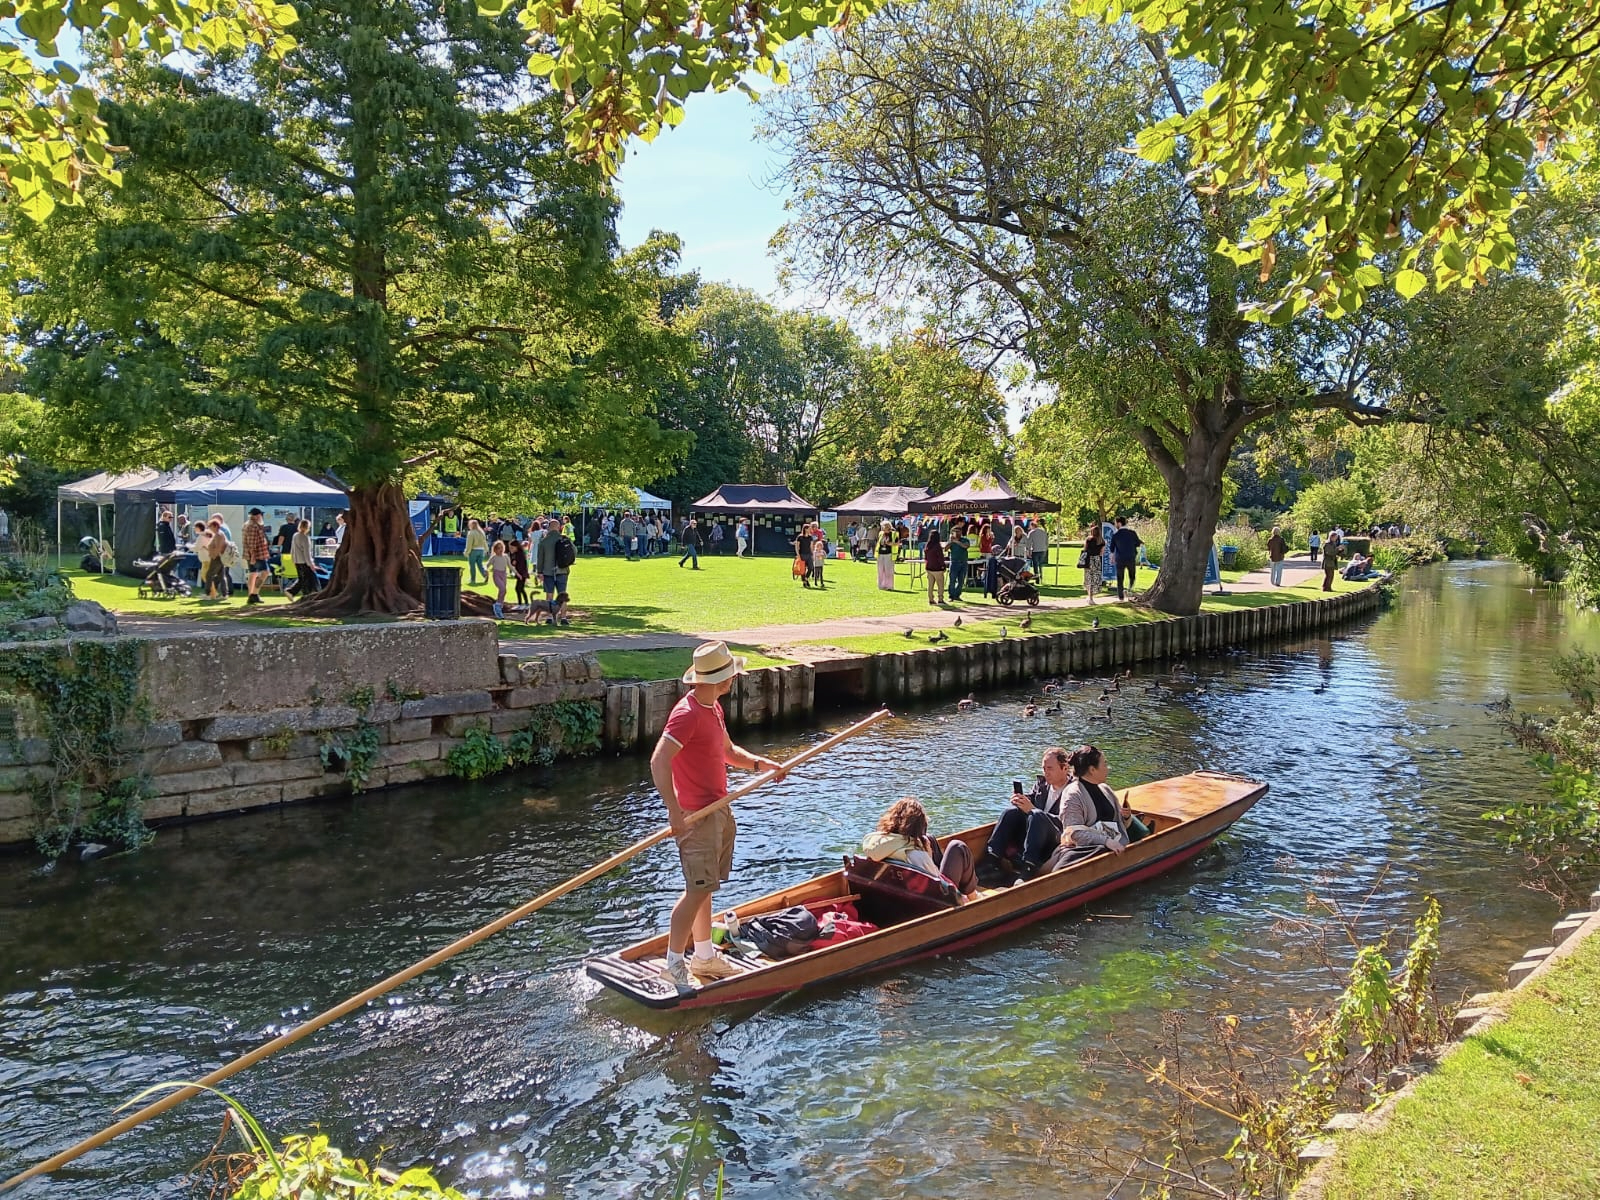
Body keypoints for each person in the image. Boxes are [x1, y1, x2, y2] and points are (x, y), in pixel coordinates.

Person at [650, 642, 787, 993]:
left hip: (718, 809)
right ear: (719, 679)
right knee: (696, 890)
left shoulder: (713, 710)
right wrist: (673, 810)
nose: (734, 678)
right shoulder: (687, 714)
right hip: (696, 817)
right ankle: (673, 964)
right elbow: (658, 761)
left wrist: (761, 764)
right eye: (730, 674)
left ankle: (704, 956)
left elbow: (726, 752)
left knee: (707, 886)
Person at [980, 747, 1076, 881]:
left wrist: (1033, 810)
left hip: (1056, 838)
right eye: (1044, 768)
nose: (1046, 772)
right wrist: (1021, 801)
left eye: (1050, 768)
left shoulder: (1074, 791)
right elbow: (1031, 800)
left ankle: (1028, 868)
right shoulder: (1042, 784)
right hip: (1035, 833)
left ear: (1064, 768)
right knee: (1011, 812)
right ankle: (992, 859)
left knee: (1036, 815)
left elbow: (1066, 822)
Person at [861, 798, 977, 903]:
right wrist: (928, 856)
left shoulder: (875, 844)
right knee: (957, 847)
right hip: (935, 900)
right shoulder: (916, 856)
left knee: (929, 838)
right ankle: (974, 897)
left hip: (897, 895)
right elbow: (937, 884)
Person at [1051, 745, 1148, 865]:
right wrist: (1106, 841)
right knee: (1098, 850)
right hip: (1087, 853)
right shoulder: (1073, 795)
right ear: (1092, 770)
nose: (1108, 769)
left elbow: (1118, 824)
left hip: (1116, 847)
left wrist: (1126, 817)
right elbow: (1074, 833)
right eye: (1104, 764)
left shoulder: (1105, 789)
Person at [536, 517, 572, 624]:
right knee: (563, 594)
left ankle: (550, 617)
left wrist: (539, 572)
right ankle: (564, 618)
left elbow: (540, 559)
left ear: (548, 528)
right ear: (559, 527)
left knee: (549, 595)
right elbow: (573, 551)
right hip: (562, 570)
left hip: (548, 572)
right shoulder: (564, 539)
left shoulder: (544, 542)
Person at [242, 508, 270, 606]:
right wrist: (253, 556)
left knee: (253, 573)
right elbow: (251, 543)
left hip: (252, 554)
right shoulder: (253, 526)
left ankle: (251, 595)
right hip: (257, 554)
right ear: (256, 516)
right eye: (259, 515)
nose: (261, 517)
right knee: (265, 572)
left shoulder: (248, 524)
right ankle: (255, 593)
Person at [1110, 517, 1142, 601]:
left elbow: (1112, 548)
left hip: (1120, 559)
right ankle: (1130, 589)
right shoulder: (1132, 533)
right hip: (1131, 557)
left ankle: (1121, 597)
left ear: (1119, 523)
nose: (1115, 525)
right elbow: (1138, 543)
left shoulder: (1116, 535)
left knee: (1120, 578)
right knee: (1132, 575)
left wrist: (1112, 558)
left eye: (1115, 523)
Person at [289, 518, 319, 597]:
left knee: (302, 579)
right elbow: (307, 553)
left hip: (296, 560)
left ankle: (299, 593)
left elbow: (292, 549)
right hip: (304, 561)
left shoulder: (295, 535)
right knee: (307, 579)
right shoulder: (305, 538)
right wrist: (311, 564)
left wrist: (293, 559)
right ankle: (292, 591)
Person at [1082, 523, 1105, 603]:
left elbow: (1085, 549)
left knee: (1088, 578)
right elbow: (1102, 553)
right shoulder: (1101, 541)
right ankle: (1091, 597)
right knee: (1095, 578)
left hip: (1089, 560)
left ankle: (1089, 596)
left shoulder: (1088, 539)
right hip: (1097, 560)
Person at [946, 521, 969, 601]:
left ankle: (957, 595)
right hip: (954, 562)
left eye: (958, 532)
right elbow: (945, 549)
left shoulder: (964, 540)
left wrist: (957, 542)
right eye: (955, 532)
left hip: (963, 562)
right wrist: (951, 542)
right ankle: (951, 595)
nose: (956, 533)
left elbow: (965, 546)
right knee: (952, 580)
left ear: (961, 532)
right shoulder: (951, 541)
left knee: (961, 581)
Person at [488, 538, 510, 618]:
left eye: (502, 548)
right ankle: (497, 605)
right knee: (502, 589)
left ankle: (499, 606)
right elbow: (487, 564)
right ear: (495, 550)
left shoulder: (506, 556)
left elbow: (510, 566)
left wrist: (517, 573)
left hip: (503, 574)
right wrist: (485, 570)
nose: (500, 550)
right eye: (498, 548)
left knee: (504, 591)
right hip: (496, 574)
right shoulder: (494, 557)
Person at [924, 525, 947, 605]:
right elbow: (940, 558)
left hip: (929, 567)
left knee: (930, 585)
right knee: (940, 585)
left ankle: (930, 599)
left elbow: (926, 557)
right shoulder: (938, 546)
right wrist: (943, 566)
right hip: (937, 568)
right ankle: (940, 599)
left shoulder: (927, 546)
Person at [464, 518, 489, 585]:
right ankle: (484, 574)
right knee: (480, 565)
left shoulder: (471, 533)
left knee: (472, 566)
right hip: (481, 550)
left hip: (474, 550)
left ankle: (473, 579)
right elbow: (485, 542)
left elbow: (469, 544)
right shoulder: (482, 532)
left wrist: (466, 552)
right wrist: (486, 550)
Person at [510, 537, 531, 608]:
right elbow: (513, 562)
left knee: (519, 588)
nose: (511, 549)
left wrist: (520, 574)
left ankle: (524, 604)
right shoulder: (516, 554)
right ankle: (523, 603)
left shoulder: (520, 554)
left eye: (512, 548)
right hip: (520, 573)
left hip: (522, 573)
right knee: (519, 589)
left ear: (516, 547)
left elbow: (522, 565)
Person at [875, 520, 896, 590]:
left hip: (889, 554)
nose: (882, 528)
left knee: (888, 571)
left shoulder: (893, 534)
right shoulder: (881, 533)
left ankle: (889, 586)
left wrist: (889, 543)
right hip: (880, 553)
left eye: (883, 527)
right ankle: (881, 585)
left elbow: (897, 543)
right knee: (880, 570)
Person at [794, 523, 814, 588]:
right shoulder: (800, 537)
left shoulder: (810, 537)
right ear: (805, 529)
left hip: (809, 555)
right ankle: (804, 582)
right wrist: (798, 554)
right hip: (802, 554)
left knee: (811, 567)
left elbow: (811, 547)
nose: (810, 530)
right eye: (809, 528)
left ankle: (806, 578)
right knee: (803, 569)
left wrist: (812, 554)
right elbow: (797, 546)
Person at [810, 521, 827, 588]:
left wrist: (818, 547)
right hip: (811, 547)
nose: (815, 528)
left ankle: (815, 574)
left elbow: (820, 540)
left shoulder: (819, 532)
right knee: (812, 561)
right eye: (814, 527)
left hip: (817, 548)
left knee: (818, 562)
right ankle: (813, 573)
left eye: (816, 527)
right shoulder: (810, 532)